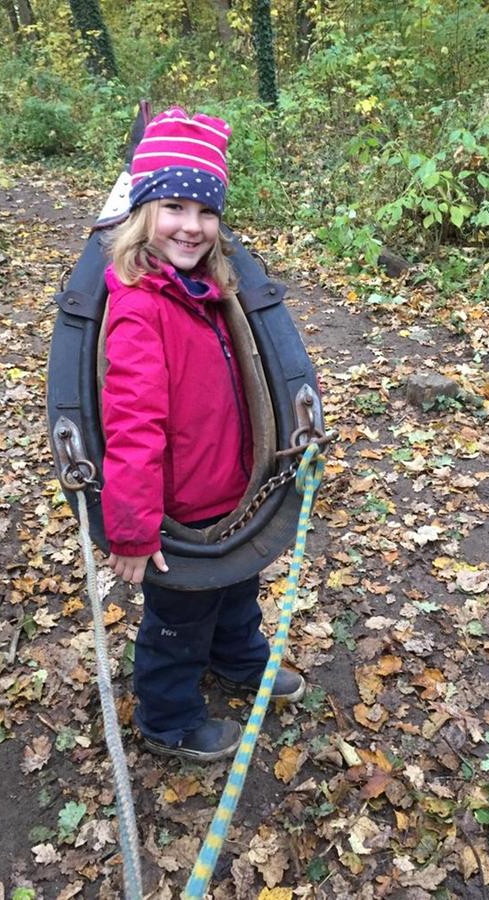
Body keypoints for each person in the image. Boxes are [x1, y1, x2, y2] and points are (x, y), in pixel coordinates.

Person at [101, 107, 305, 763]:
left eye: (206, 211)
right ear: (143, 213)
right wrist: (132, 528)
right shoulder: (139, 306)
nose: (191, 225)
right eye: (174, 207)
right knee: (176, 622)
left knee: (238, 591)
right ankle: (167, 718)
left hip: (231, 493)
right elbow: (133, 423)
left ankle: (239, 659)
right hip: (179, 514)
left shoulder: (208, 289)